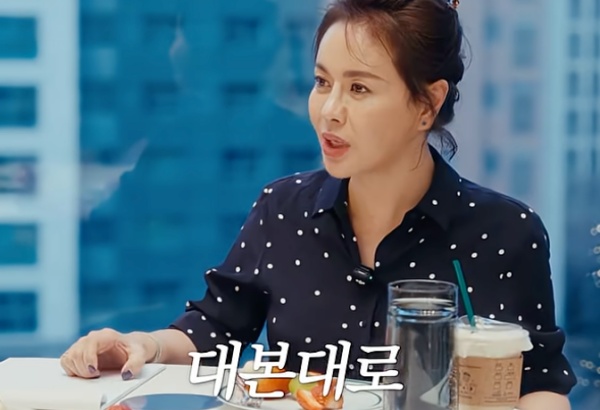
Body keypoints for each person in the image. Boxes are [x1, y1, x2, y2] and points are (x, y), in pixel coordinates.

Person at [60, 0, 576, 408]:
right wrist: (141, 346)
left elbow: (541, 387)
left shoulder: (505, 231)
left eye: (359, 88)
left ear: (428, 103)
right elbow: (215, 328)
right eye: (323, 82)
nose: (329, 110)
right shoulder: (283, 208)